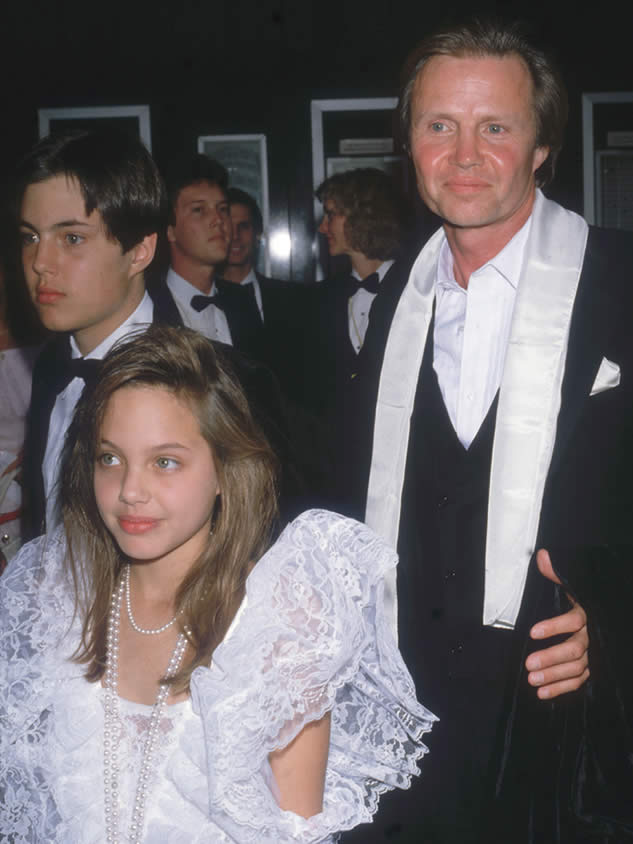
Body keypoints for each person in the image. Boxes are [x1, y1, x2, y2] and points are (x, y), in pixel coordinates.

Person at [343, 18, 633, 843]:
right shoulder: (396, 290)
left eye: (494, 127)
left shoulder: (619, 280)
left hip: (562, 723)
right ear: (410, 143)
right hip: (407, 706)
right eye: (440, 125)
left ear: (541, 146)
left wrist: (611, 627)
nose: (464, 154)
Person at [0, 324, 436, 842]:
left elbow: (298, 832)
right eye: (110, 458)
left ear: (227, 471)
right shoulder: (53, 598)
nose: (130, 489)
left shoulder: (279, 626)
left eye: (165, 462)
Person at [16, 130, 293, 538]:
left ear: (140, 252)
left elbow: (261, 551)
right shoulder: (52, 367)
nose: (40, 262)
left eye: (72, 238)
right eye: (30, 237)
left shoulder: (225, 381)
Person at [164, 156, 265, 361]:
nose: (218, 220)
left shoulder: (242, 301)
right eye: (199, 210)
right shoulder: (144, 306)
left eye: (223, 209)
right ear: (171, 231)